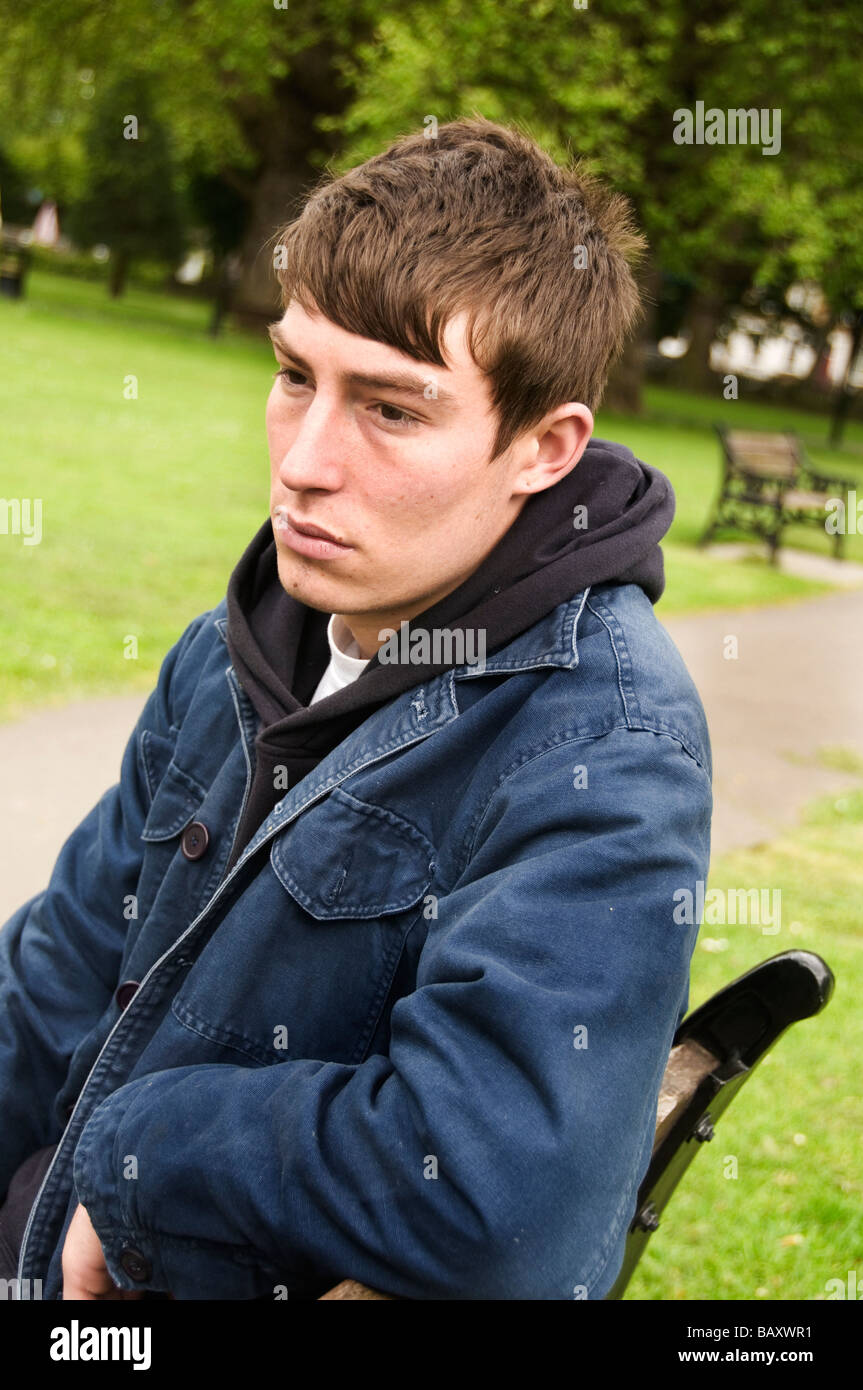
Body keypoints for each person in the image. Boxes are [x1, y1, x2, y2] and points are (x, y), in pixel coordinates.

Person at [0, 116, 711, 1301]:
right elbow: (50, 983)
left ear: (542, 446)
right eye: (293, 377)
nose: (302, 461)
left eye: (390, 408)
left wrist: (138, 1166)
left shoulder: (602, 746)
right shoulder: (230, 653)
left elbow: (498, 1194)